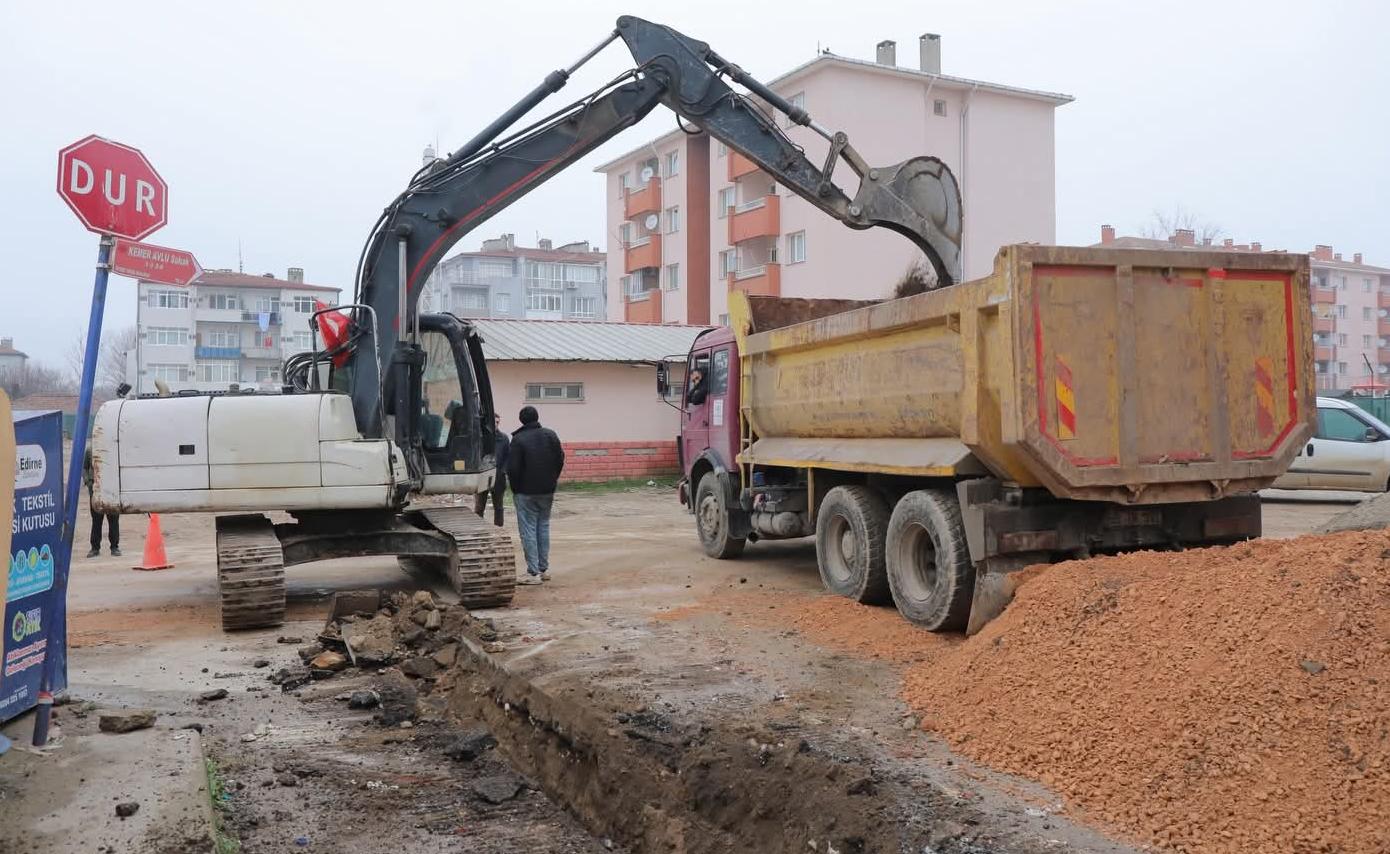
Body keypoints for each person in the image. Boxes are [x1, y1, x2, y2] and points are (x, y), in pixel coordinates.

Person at [507, 405, 564, 584]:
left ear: (521, 420)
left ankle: (533, 573)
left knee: (528, 530)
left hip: (525, 492)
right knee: (543, 527)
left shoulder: (518, 440)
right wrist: (552, 479)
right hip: (547, 490)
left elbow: (513, 469)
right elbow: (560, 459)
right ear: (537, 417)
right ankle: (543, 569)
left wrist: (516, 488)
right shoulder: (551, 435)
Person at [83, 447, 120, 558]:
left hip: (111, 490)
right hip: (96, 490)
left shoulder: (114, 448)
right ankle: (95, 548)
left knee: (113, 520)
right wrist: (88, 482)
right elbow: (85, 468)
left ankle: (114, 547)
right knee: (96, 521)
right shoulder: (90, 450)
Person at [474, 412, 510, 527]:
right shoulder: (480, 438)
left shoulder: (504, 438)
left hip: (498, 477)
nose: (496, 424)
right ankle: (479, 528)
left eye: (498, 422)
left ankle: (498, 529)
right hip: (483, 475)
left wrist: (503, 471)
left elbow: (508, 457)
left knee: (498, 507)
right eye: (494, 422)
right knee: (479, 506)